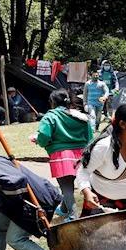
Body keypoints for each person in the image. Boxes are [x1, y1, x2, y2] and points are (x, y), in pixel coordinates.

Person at [77, 104, 126, 216]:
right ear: (122, 124)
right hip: (102, 202)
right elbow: (84, 171)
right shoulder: (104, 146)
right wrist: (86, 192)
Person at [34, 89, 91, 220]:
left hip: (61, 156)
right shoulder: (80, 116)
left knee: (66, 187)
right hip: (82, 154)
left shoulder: (51, 116)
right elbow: (90, 136)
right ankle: (64, 209)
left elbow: (44, 135)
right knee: (76, 184)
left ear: (52, 102)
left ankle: (72, 216)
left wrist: (39, 141)